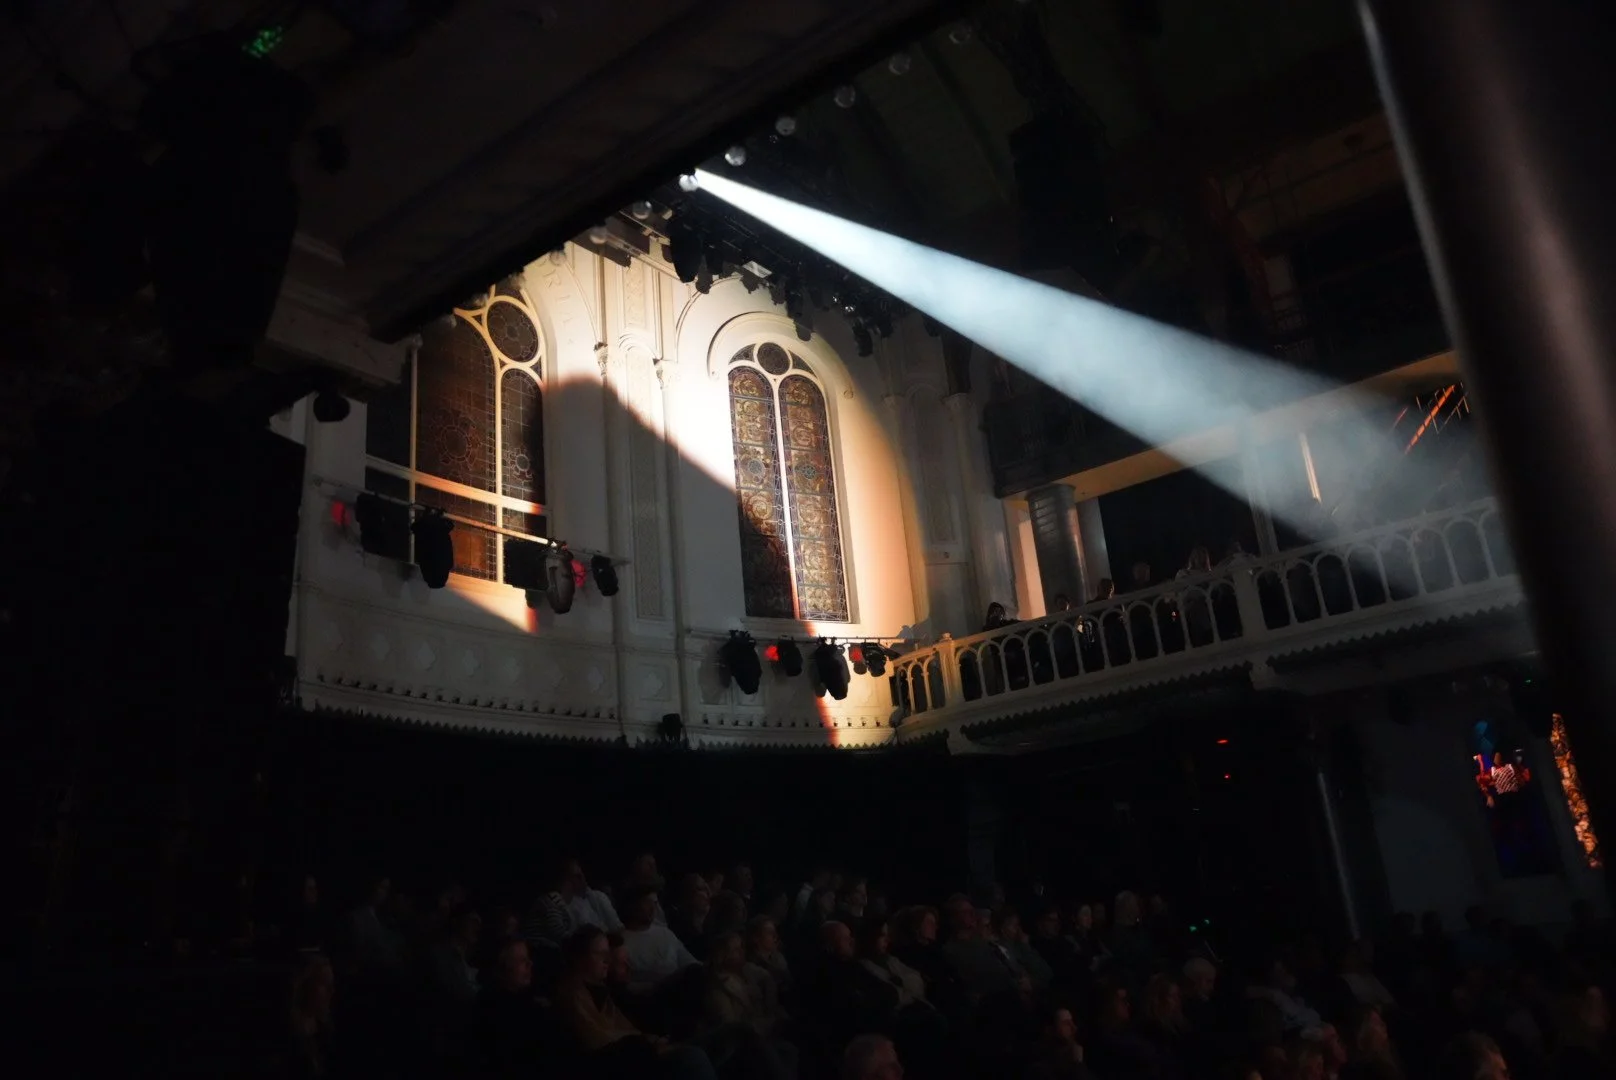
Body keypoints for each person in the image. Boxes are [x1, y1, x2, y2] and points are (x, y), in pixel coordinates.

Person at [555, 926, 718, 1080]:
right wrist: (650, 1046)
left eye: (607, 955)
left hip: (640, 1053)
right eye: (600, 954)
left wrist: (652, 1041)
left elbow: (624, 1028)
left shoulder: (600, 991)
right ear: (579, 958)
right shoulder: (572, 993)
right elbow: (597, 1039)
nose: (607, 960)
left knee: (729, 1037)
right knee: (694, 1057)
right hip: (624, 1067)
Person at [620, 886, 698, 993]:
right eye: (646, 902)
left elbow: (689, 962)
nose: (652, 908)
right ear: (632, 906)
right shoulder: (621, 941)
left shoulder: (665, 933)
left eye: (654, 903)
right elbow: (624, 986)